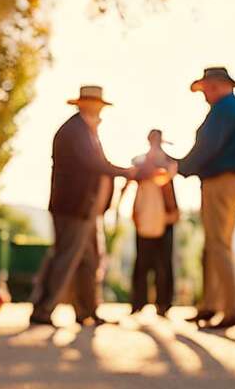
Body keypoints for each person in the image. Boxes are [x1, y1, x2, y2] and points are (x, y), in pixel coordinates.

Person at [29, 85, 143, 327]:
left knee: (88, 260)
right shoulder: (75, 131)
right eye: (96, 105)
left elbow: (99, 163)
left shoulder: (86, 131)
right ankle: (43, 309)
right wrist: (126, 172)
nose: (99, 111)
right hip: (73, 207)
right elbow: (94, 164)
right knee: (66, 257)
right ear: (84, 105)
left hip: (87, 208)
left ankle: (87, 310)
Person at [173, 67, 235, 329]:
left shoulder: (224, 110)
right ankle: (209, 305)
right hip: (233, 182)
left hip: (222, 182)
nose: (205, 94)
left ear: (219, 85)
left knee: (218, 245)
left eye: (207, 88)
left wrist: (181, 167)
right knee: (215, 245)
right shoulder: (234, 109)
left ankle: (232, 308)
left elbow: (207, 147)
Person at [129, 129, 180, 317]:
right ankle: (138, 302)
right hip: (145, 216)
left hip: (164, 217)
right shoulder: (142, 163)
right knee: (142, 262)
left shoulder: (168, 162)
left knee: (163, 262)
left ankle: (164, 303)